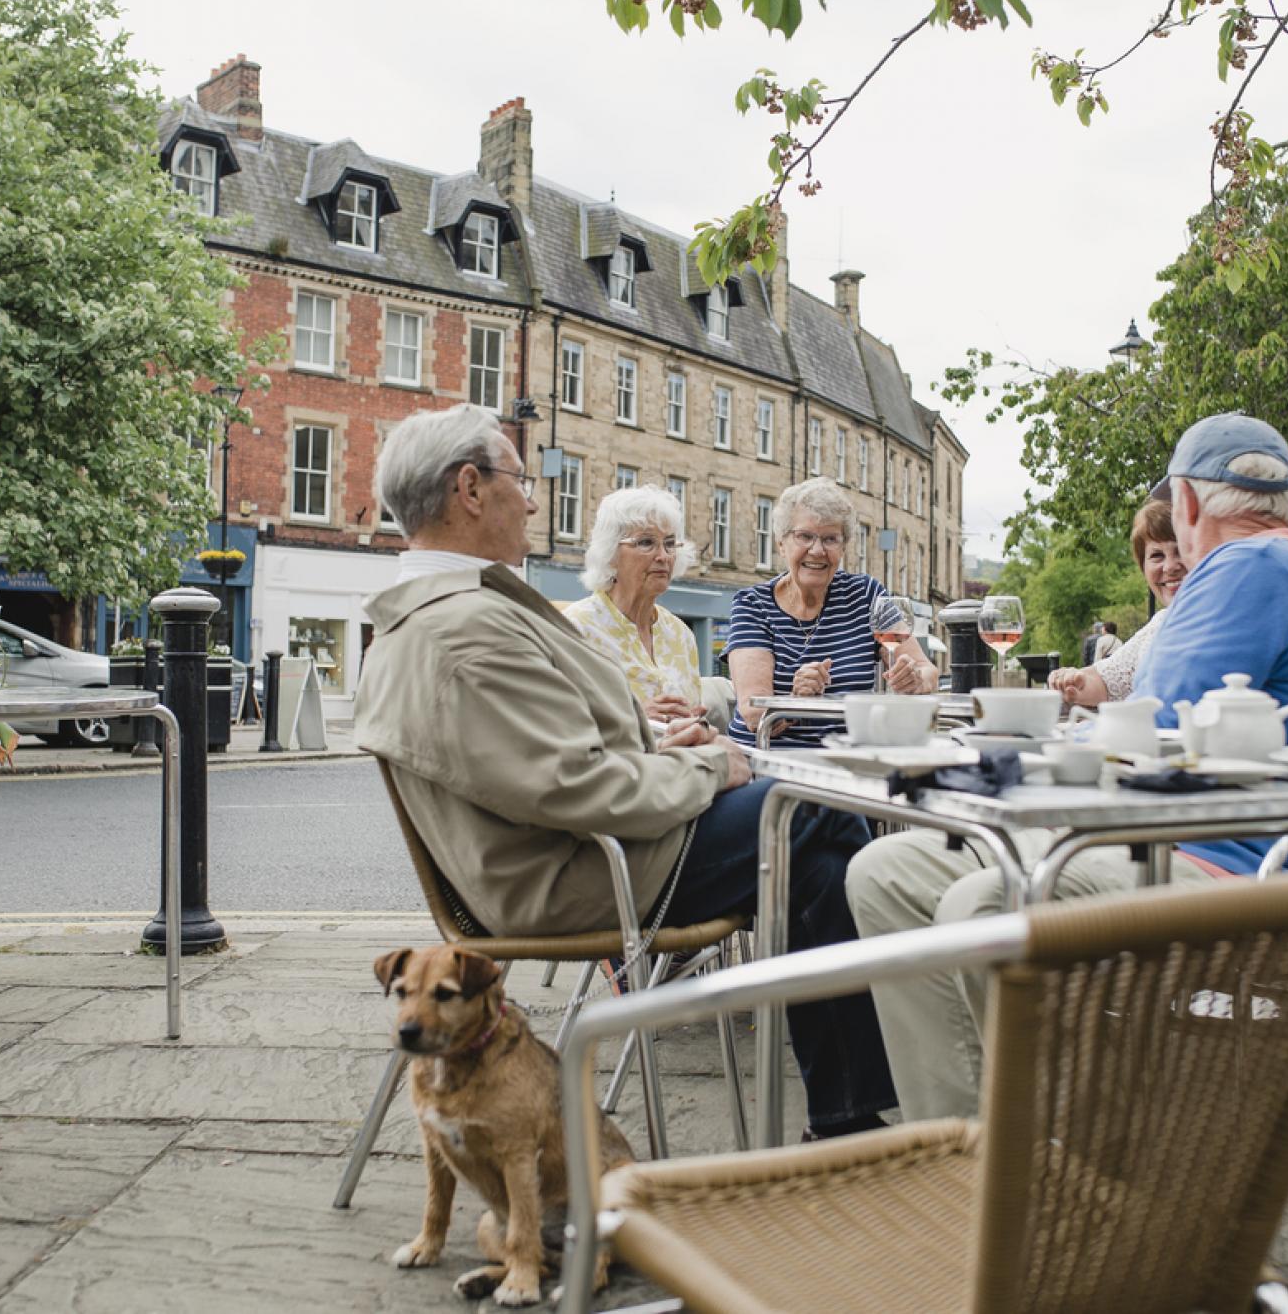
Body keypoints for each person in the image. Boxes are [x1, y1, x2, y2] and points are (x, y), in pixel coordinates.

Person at [354, 406, 895, 1138]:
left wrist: (672, 750)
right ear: (471, 489)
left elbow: (563, 759)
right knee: (818, 805)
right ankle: (903, 1035)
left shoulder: (457, 610)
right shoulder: (461, 628)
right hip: (581, 870)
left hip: (590, 846)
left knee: (821, 856)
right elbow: (574, 789)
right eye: (521, 478)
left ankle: (847, 1116)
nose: (536, 498)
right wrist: (708, 768)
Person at [844, 412, 1288, 1120]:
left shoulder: (1246, 567)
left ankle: (1045, 1167)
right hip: (1161, 843)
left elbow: (1147, 732)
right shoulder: (1280, 571)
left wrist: (1016, 766)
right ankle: (966, 1145)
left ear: (1186, 503)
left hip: (1217, 872)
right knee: (886, 871)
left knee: (983, 906)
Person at [726, 477, 936, 748]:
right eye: (805, 536)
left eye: (830, 539)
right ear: (781, 543)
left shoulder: (866, 594)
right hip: (770, 761)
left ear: (843, 546)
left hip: (847, 760)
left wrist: (915, 681)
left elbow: (926, 669)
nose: (817, 550)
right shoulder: (753, 605)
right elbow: (755, 716)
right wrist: (795, 700)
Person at [564, 485, 707, 729]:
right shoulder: (576, 629)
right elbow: (558, 723)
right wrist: (634, 716)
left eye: (670, 543)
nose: (663, 556)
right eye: (646, 542)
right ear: (610, 553)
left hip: (677, 763)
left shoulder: (681, 634)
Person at [1046, 497, 1186, 706]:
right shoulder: (1160, 623)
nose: (1170, 567)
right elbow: (1106, 680)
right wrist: (1074, 681)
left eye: (1181, 551)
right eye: (1157, 556)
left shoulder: (1224, 617)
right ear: (1143, 568)